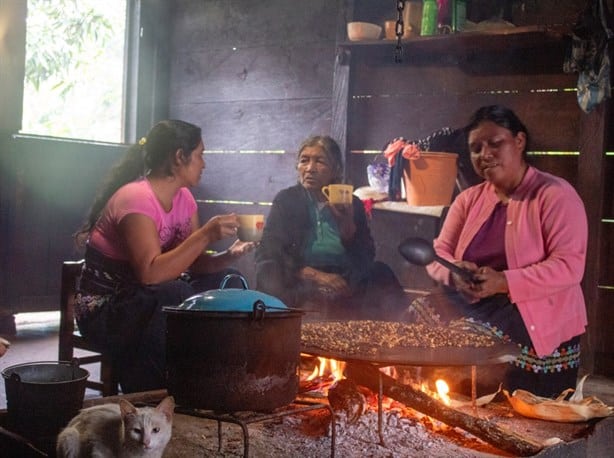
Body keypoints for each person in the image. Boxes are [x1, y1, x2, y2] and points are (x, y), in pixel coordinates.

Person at [73, 120, 254, 393]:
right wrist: (205, 234)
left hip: (146, 303)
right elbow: (150, 274)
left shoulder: (185, 199)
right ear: (180, 156)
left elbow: (191, 262)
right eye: (200, 154)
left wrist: (228, 256)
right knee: (173, 293)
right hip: (105, 313)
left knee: (229, 280)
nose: (204, 163)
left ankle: (214, 376)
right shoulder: (135, 199)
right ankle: (148, 392)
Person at [424, 105, 588, 398]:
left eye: (495, 143)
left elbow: (569, 267)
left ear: (519, 141)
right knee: (414, 317)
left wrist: (503, 282)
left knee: (470, 342)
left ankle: (476, 403)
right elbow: (439, 253)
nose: (484, 154)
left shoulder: (555, 195)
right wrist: (456, 274)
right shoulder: (468, 200)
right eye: (475, 148)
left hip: (530, 311)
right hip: (476, 305)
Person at [255, 135, 404, 320]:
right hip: (301, 272)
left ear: (336, 169)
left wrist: (347, 226)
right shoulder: (286, 200)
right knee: (269, 272)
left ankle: (401, 334)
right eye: (304, 161)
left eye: (320, 162)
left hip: (344, 272)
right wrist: (316, 276)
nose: (310, 169)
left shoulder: (352, 203)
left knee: (381, 272)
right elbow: (269, 251)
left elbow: (366, 254)